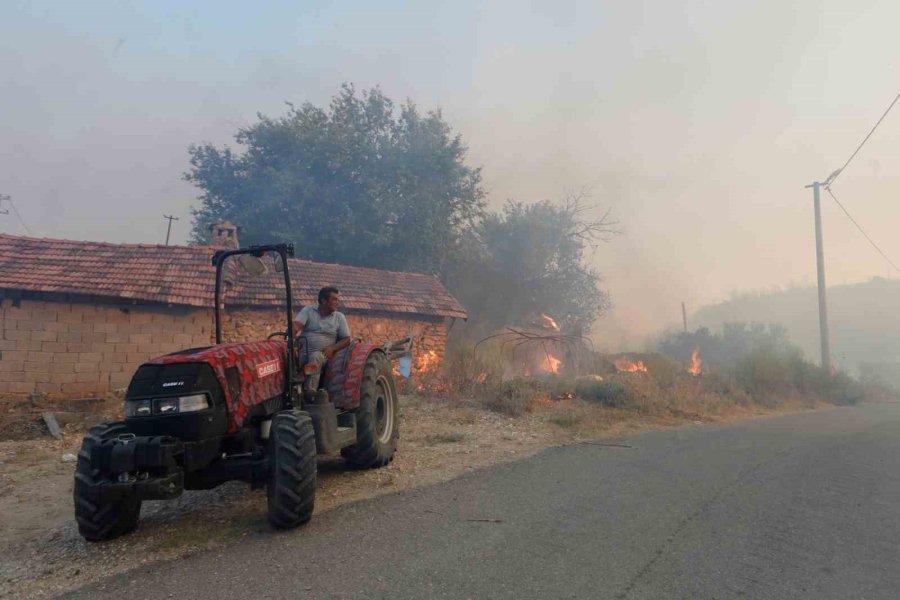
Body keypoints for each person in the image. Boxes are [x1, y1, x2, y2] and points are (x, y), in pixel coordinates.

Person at [293, 286, 352, 390]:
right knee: (285, 359)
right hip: (302, 354)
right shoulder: (308, 310)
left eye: (337, 300)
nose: (337, 302)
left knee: (315, 358)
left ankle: (309, 392)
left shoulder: (339, 317)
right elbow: (296, 326)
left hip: (323, 356)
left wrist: (332, 348)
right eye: (334, 299)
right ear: (323, 301)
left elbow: (347, 339)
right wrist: (292, 335)